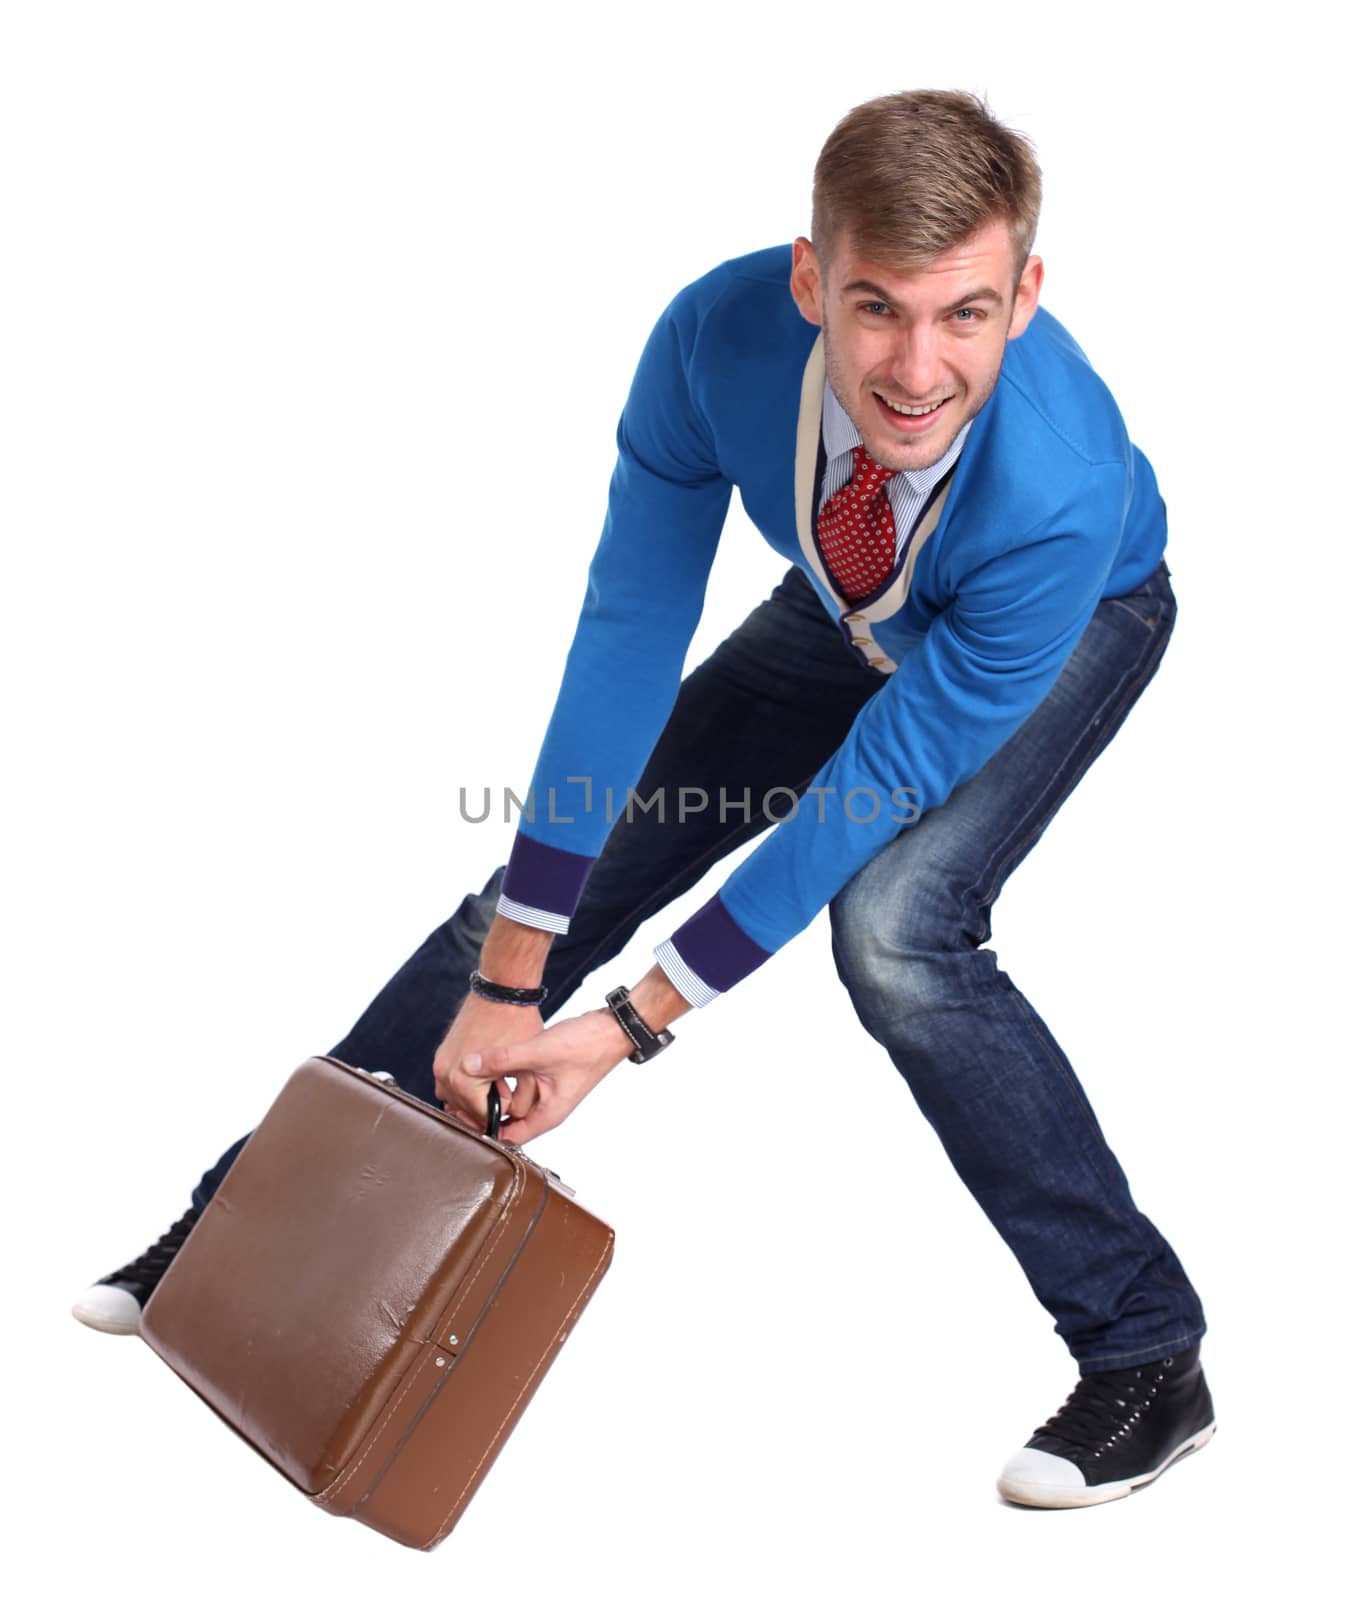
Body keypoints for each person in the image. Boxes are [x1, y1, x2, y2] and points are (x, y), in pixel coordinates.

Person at [72, 89, 1215, 1510]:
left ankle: (1146, 1355)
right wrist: (509, 976)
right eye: (875, 310)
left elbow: (876, 785)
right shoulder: (712, 345)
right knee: (551, 880)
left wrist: (623, 1026)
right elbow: (625, 641)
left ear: (1025, 296)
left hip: (1058, 613)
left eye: (965, 316)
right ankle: (240, 1224)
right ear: (811, 280)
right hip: (848, 589)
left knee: (899, 930)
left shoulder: (1062, 488)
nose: (919, 369)